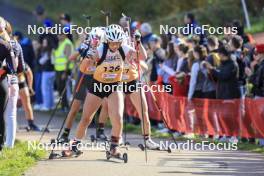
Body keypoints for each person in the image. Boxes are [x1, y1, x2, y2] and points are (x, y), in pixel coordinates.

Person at [67, 24, 147, 157]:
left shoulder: (124, 48)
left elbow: (142, 58)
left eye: (117, 42)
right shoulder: (99, 49)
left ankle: (114, 147)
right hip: (98, 86)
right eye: (112, 42)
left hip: (114, 86)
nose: (115, 46)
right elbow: (83, 69)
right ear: (107, 40)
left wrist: (138, 42)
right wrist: (88, 57)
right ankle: (75, 145)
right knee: (86, 118)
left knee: (118, 118)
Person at [59, 27, 105, 142]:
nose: (96, 41)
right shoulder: (86, 45)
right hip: (84, 77)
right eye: (94, 38)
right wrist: (82, 50)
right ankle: (65, 134)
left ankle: (100, 132)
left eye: (99, 39)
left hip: (97, 79)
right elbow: (71, 57)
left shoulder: (105, 48)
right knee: (74, 108)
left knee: (105, 104)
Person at [0, 16, 15, 150]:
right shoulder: (7, 44)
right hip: (2, 82)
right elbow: (13, 68)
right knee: (1, 115)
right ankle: (1, 146)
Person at [53, 32, 74, 112]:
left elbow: (68, 58)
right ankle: (63, 106)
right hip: (58, 69)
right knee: (60, 88)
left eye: (60, 34)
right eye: (58, 34)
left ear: (65, 35)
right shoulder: (59, 43)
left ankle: (65, 106)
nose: (58, 36)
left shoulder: (67, 43)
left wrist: (65, 72)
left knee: (64, 89)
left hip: (64, 70)